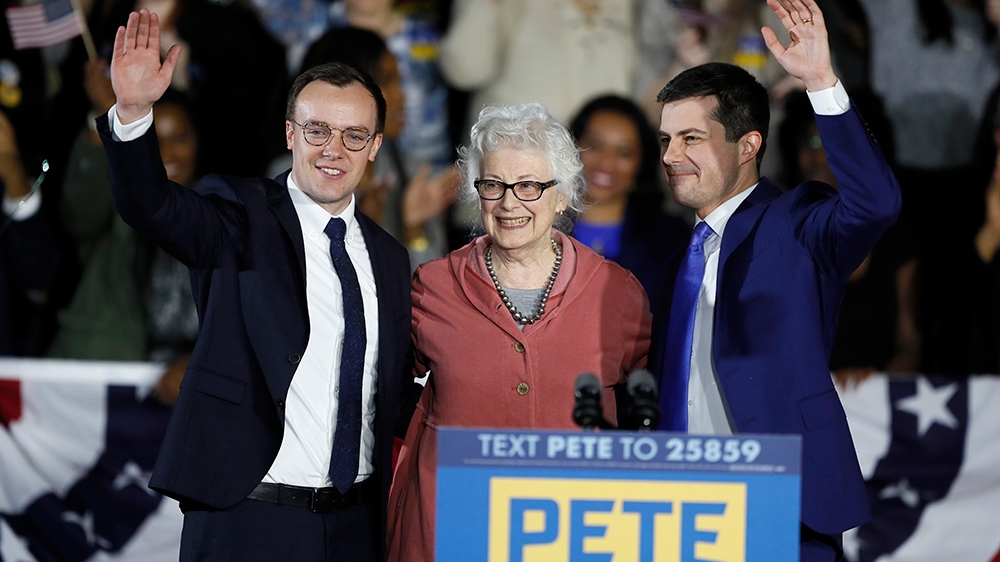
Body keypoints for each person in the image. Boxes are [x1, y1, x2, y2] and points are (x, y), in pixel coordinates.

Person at [99, 10, 415, 560]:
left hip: (357, 528)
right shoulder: (239, 213)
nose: (333, 150)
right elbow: (154, 208)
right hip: (248, 519)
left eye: (353, 135)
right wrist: (132, 112)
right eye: (317, 130)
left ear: (375, 145)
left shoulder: (388, 257)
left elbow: (391, 393)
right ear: (291, 133)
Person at [651, 1, 901, 560]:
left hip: (782, 509)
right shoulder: (676, 259)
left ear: (748, 145)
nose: (671, 156)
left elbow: (876, 204)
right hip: (674, 513)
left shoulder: (797, 222)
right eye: (666, 140)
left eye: (691, 139)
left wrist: (822, 84)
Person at [386, 102, 652, 562]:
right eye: (493, 185)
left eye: (529, 186)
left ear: (563, 193)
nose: (510, 203)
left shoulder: (618, 295)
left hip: (573, 539)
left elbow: (644, 411)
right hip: (450, 534)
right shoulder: (432, 287)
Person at [568, 94, 690, 314]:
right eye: (594, 146)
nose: (606, 162)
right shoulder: (534, 226)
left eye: (624, 153)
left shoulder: (672, 240)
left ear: (641, 164)